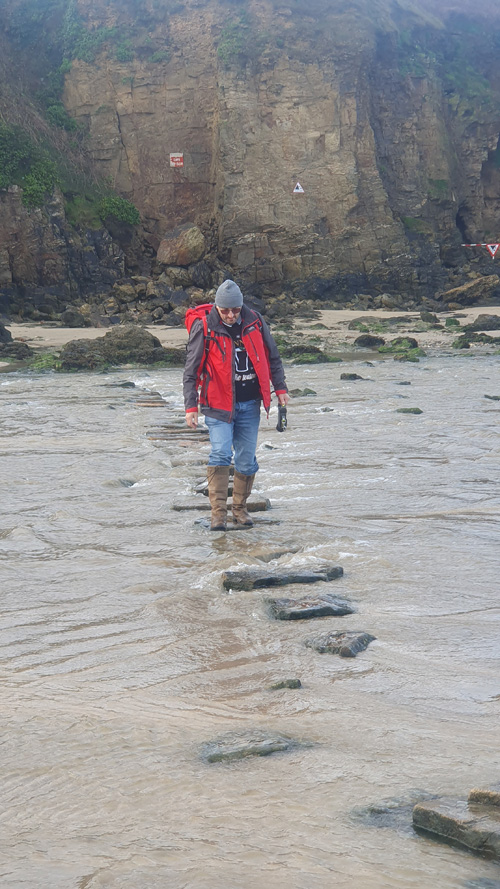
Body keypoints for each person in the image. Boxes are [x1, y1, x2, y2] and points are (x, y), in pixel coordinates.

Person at [183, 279, 289, 531]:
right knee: (220, 453)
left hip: (250, 404)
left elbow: (273, 357)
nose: (231, 315)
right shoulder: (205, 328)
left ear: (241, 306)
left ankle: (239, 510)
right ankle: (218, 514)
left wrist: (280, 388)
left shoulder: (255, 322)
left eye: (235, 310)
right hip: (217, 405)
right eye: (225, 310)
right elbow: (191, 370)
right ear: (217, 308)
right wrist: (190, 406)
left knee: (246, 461)